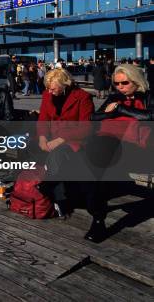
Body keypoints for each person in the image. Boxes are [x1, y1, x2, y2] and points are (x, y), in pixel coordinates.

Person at [87, 64, 152, 242]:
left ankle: (96, 210)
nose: (120, 87)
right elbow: (93, 117)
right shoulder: (115, 97)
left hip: (140, 149)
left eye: (124, 83)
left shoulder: (149, 97)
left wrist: (120, 110)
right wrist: (110, 114)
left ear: (136, 81)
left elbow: (149, 116)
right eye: (117, 83)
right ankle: (98, 218)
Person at [36, 68, 95, 221]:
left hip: (74, 140)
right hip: (52, 138)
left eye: (53, 88)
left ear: (65, 84)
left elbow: (85, 127)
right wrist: (42, 137)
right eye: (47, 88)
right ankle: (28, 188)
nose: (49, 91)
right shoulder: (47, 96)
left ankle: (60, 200)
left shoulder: (83, 97)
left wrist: (60, 139)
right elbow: (43, 120)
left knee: (57, 155)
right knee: (28, 147)